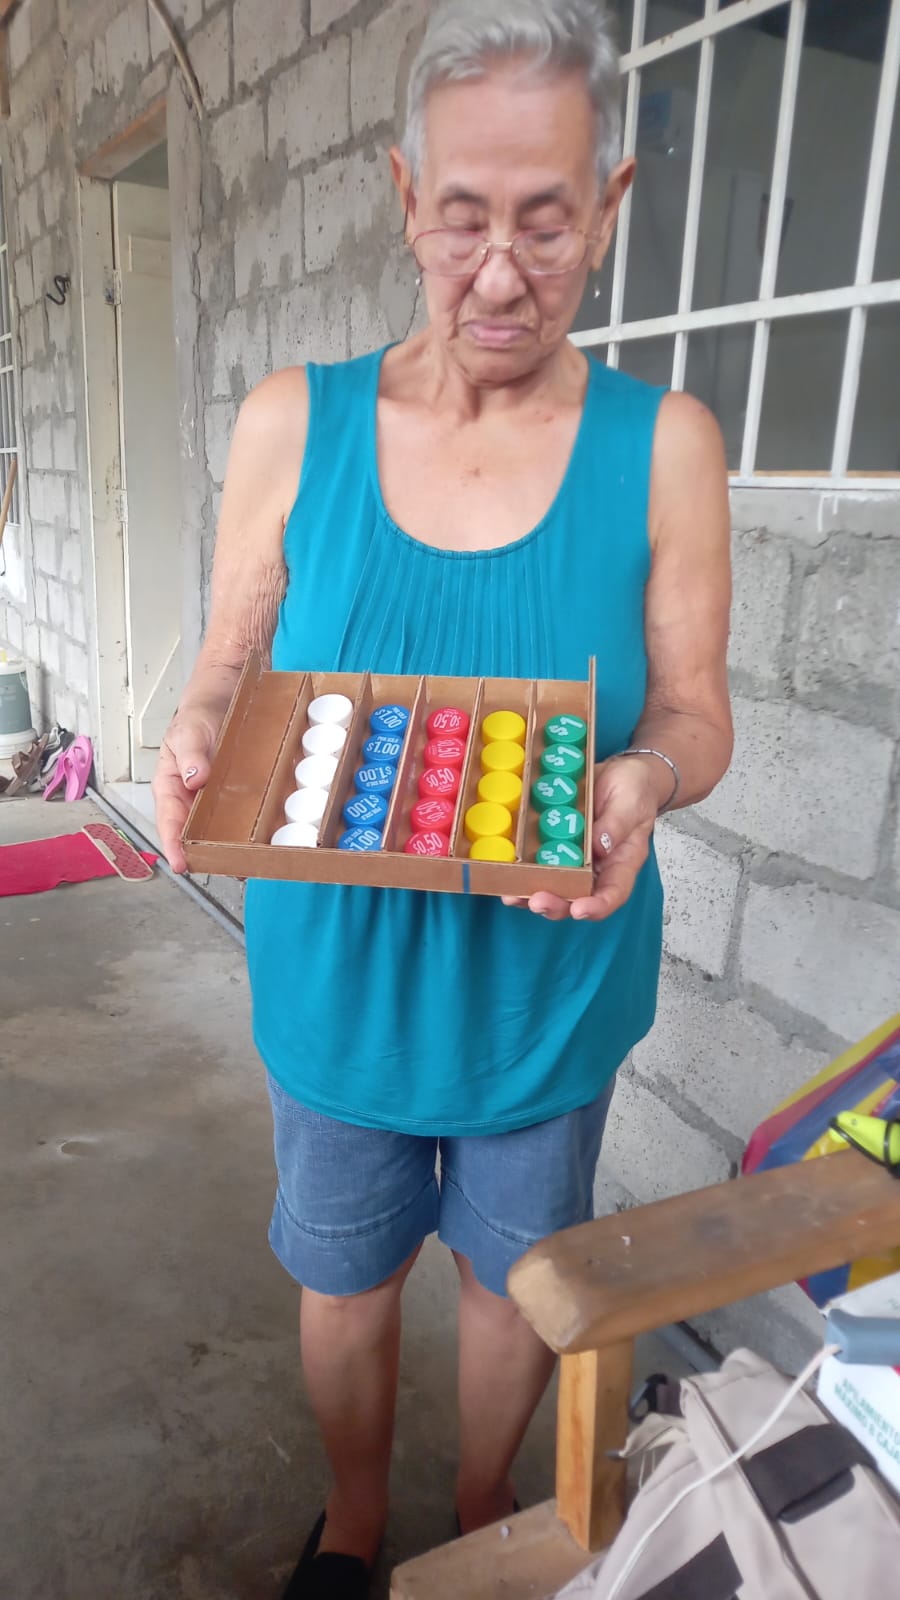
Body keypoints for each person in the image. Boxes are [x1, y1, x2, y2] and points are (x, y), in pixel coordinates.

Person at [153, 1, 733, 1594]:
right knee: (343, 1277)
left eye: (547, 222)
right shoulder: (295, 423)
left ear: (609, 206)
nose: (498, 273)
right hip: (335, 972)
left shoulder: (665, 447)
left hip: (546, 975)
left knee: (508, 1280)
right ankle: (356, 1525)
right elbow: (226, 661)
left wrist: (645, 772)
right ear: (406, 197)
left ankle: (481, 1516)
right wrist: (196, 727)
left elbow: (696, 708)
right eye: (463, 217)